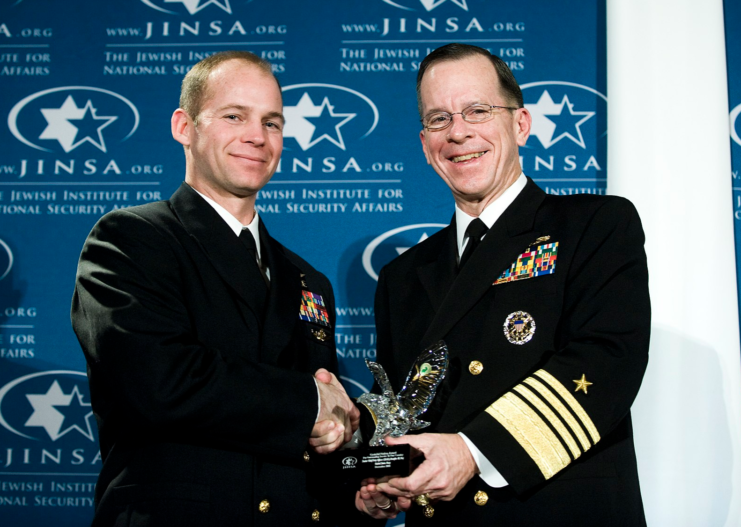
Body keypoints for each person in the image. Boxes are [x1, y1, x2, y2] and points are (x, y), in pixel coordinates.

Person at [356, 43, 650, 525]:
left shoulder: (595, 225)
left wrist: (472, 452)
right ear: (425, 144)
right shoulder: (402, 277)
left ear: (520, 124)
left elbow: (605, 362)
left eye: (478, 110)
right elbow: (399, 406)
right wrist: (380, 477)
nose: (458, 132)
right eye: (438, 119)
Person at [72, 51, 362, 526]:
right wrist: (308, 401)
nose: (257, 137)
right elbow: (158, 382)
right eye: (234, 116)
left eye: (273, 122)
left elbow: (313, 438)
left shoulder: (309, 280)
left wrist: (357, 491)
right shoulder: (132, 239)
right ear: (184, 127)